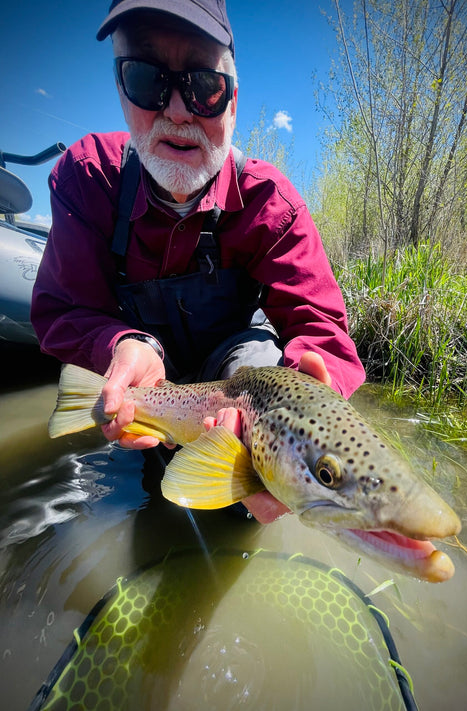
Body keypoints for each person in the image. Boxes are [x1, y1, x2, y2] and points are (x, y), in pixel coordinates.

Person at [31, 0, 365, 522]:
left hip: (238, 392)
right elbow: (62, 310)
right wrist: (118, 345)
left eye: (204, 86)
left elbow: (321, 329)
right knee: (149, 506)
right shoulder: (87, 178)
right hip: (145, 388)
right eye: (147, 79)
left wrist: (304, 424)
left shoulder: (271, 205)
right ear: (121, 91)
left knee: (259, 395)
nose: (179, 111)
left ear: (232, 104)